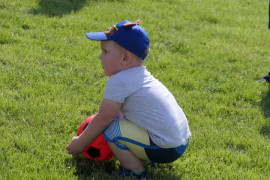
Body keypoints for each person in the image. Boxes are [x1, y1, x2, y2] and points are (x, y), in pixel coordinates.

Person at [66, 19, 191, 179]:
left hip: (165, 148)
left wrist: (81, 142)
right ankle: (145, 156)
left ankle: (136, 172)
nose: (100, 57)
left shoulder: (120, 80)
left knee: (112, 129)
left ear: (125, 58)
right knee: (121, 118)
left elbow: (104, 119)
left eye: (105, 52)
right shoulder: (141, 77)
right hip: (180, 142)